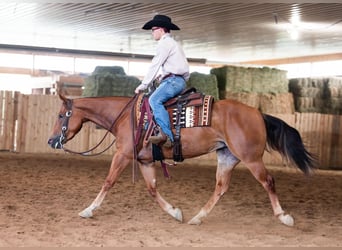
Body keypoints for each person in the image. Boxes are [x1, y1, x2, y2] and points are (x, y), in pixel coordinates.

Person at [135, 15, 189, 147]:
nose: (152, 32)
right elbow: (180, 67)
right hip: (176, 80)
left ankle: (167, 136)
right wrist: (164, 76)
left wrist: (143, 85)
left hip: (173, 81)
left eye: (153, 29)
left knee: (154, 100)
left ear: (161, 29)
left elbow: (155, 64)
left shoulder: (164, 43)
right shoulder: (174, 44)